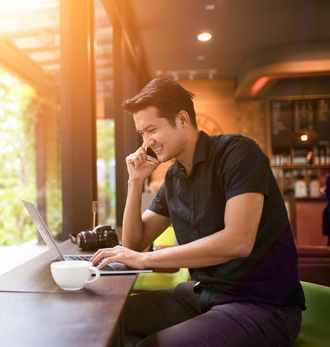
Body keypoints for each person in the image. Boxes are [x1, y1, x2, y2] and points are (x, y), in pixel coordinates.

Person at [91, 78, 305, 346]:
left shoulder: (238, 153)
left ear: (182, 119)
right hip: (203, 295)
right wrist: (134, 182)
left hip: (262, 305)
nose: (146, 143)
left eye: (151, 130)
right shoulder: (173, 177)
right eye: (141, 134)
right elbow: (134, 242)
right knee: (105, 322)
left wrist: (146, 260)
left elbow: (238, 241)